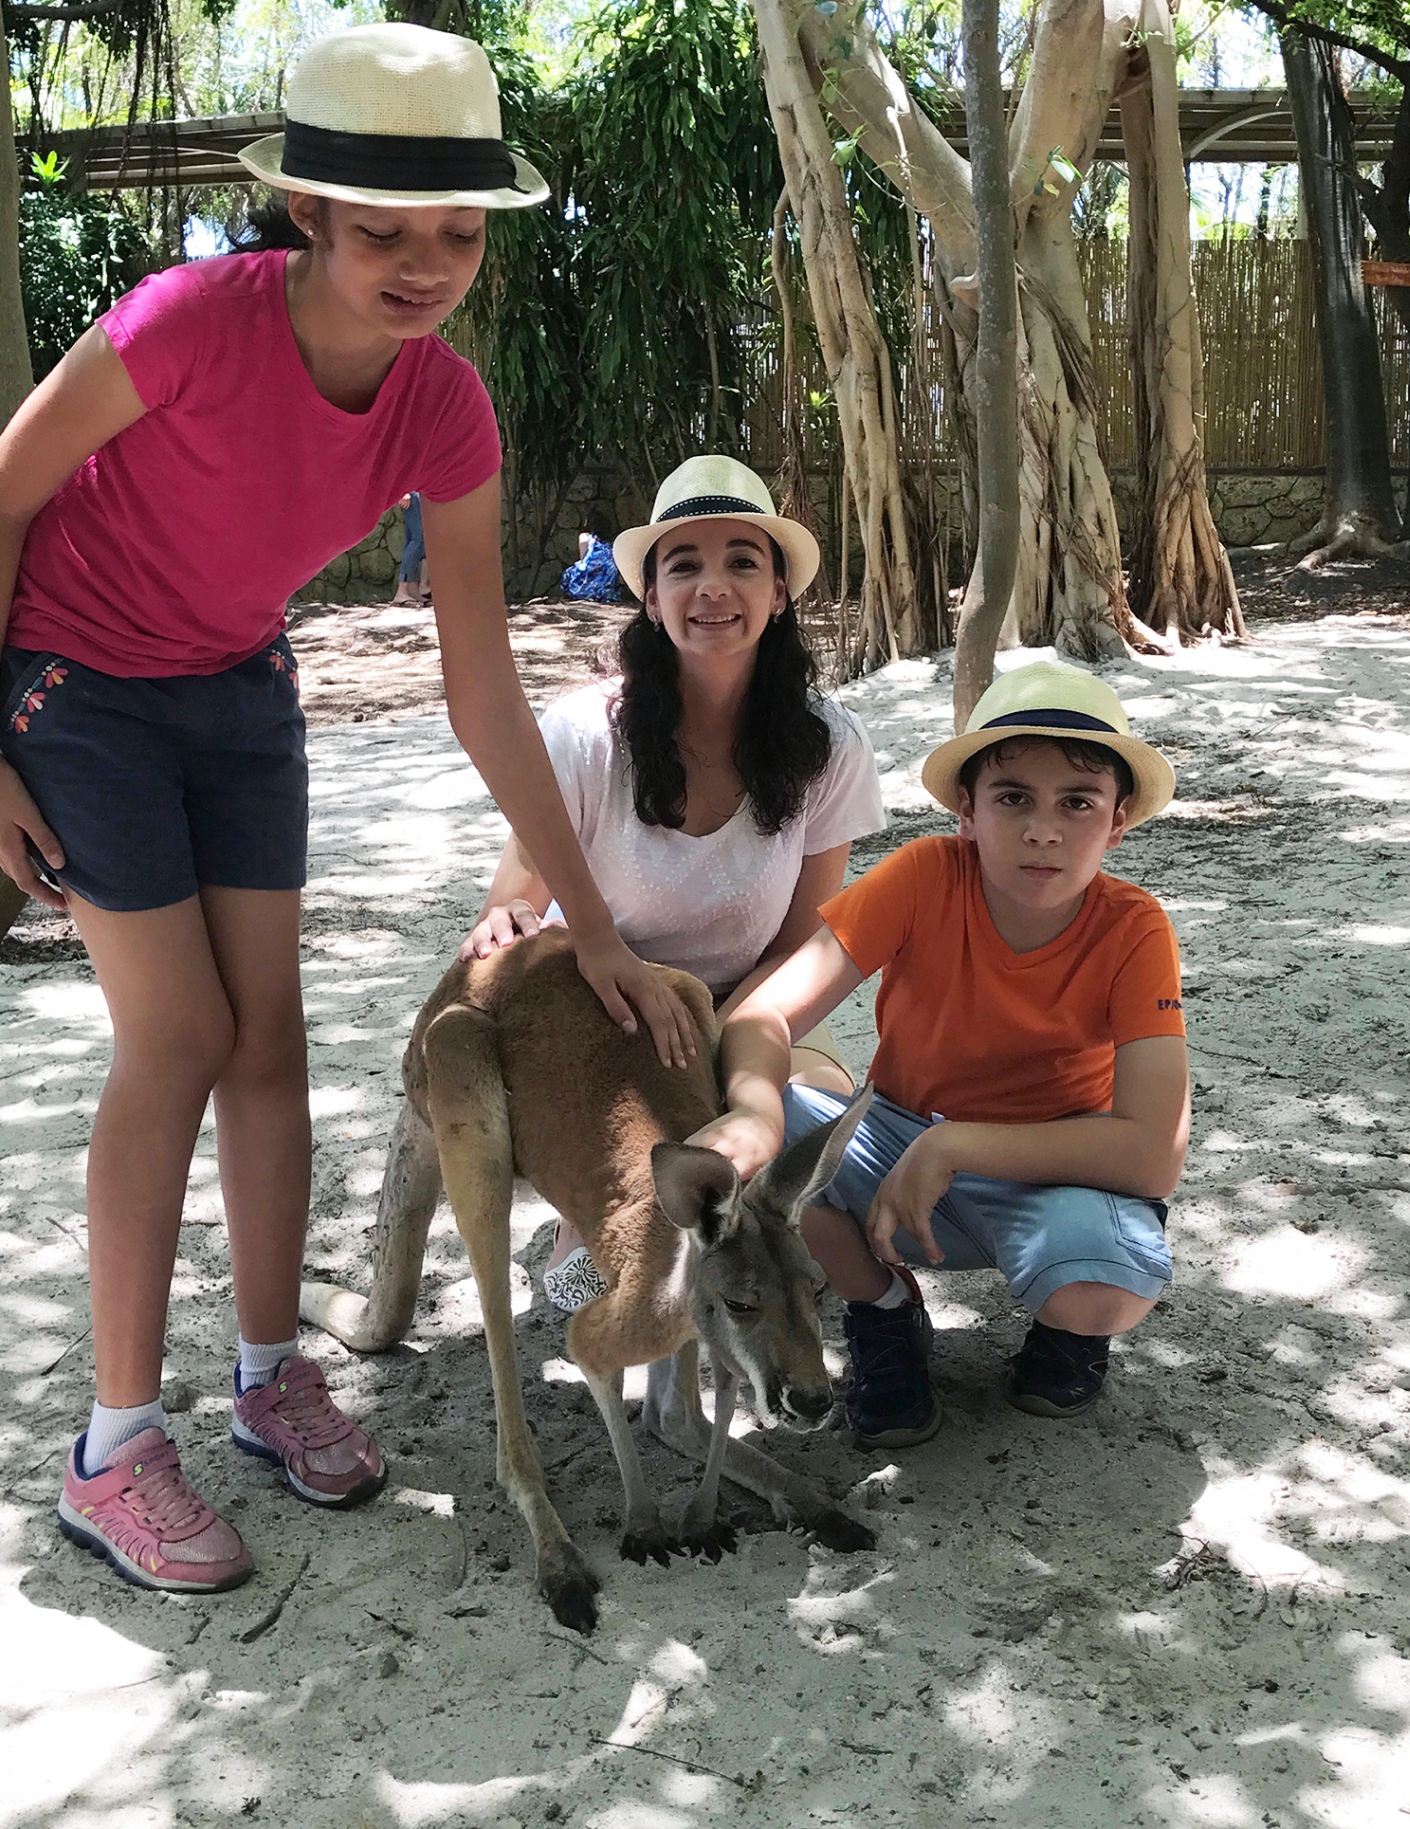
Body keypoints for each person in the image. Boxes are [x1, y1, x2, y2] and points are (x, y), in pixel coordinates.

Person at [0, 23, 695, 1596]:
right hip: (76, 686)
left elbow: (485, 692)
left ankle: (271, 1369)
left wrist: (597, 927)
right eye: (384, 230)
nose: (425, 262)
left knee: (272, 1037)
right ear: (307, 216)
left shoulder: (448, 412)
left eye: (457, 230)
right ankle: (113, 1448)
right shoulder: (187, 325)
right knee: (181, 1041)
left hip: (235, 690)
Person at [701, 662, 1188, 1445]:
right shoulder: (923, 876)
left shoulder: (1135, 928)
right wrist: (758, 1114)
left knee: (1104, 1284)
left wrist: (957, 1142)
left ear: (1118, 822)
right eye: (1013, 797)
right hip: (893, 1144)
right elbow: (762, 1015)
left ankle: (1069, 1339)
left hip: (1049, 1164)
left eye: (1078, 803)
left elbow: (1153, 1153)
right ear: (967, 807)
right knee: (756, 1130)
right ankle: (884, 1311)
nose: (1043, 828)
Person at [461, 454, 883, 1308]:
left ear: (780, 592)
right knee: (641, 1182)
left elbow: (805, 944)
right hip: (608, 1010)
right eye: (682, 565)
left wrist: (718, 1049)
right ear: (650, 597)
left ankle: (753, 1286)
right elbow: (517, 896)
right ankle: (599, 1230)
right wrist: (506, 923)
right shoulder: (587, 735)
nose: (712, 587)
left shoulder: (830, 747)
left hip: (756, 1005)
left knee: (818, 1128)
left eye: (741, 561)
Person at [558, 502, 621, 602]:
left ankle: (580, 593)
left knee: (567, 573)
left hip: (590, 576)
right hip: (607, 583)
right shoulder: (609, 544)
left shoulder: (585, 537)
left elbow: (584, 560)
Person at [392, 489, 430, 607]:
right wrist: (403, 491)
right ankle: (402, 590)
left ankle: (412, 589)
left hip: (418, 491)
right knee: (418, 540)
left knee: (415, 539)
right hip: (413, 492)